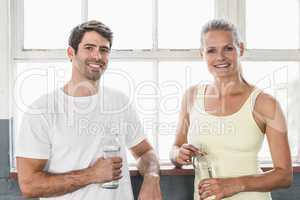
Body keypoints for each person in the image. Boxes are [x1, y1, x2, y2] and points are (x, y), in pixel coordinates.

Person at [16, 20, 162, 200]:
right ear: (71, 53)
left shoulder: (119, 102)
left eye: (104, 50)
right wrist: (92, 175)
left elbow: (145, 152)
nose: (97, 56)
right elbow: (29, 185)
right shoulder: (41, 110)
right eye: (89, 48)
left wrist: (151, 177)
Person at [170, 19, 292, 200]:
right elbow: (175, 148)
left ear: (240, 49)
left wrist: (235, 184)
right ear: (202, 54)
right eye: (211, 50)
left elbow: (284, 175)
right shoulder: (191, 96)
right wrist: (179, 154)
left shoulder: (264, 103)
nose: (220, 57)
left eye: (228, 48)